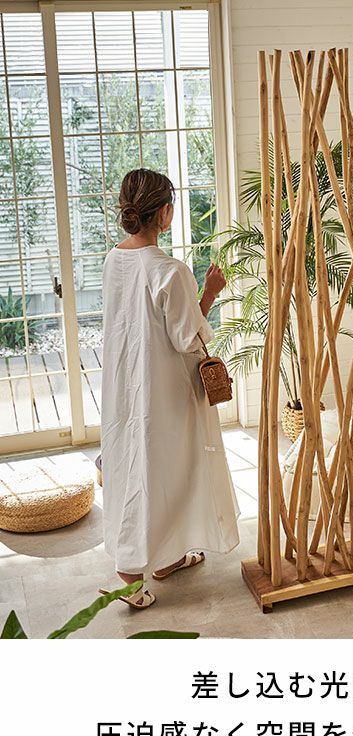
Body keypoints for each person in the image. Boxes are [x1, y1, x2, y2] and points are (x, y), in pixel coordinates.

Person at [100, 168, 239, 609]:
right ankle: (130, 572)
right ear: (165, 213)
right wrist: (210, 292)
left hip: (126, 385)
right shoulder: (171, 271)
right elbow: (186, 338)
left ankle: (166, 556)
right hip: (166, 391)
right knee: (170, 469)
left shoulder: (114, 260)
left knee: (137, 464)